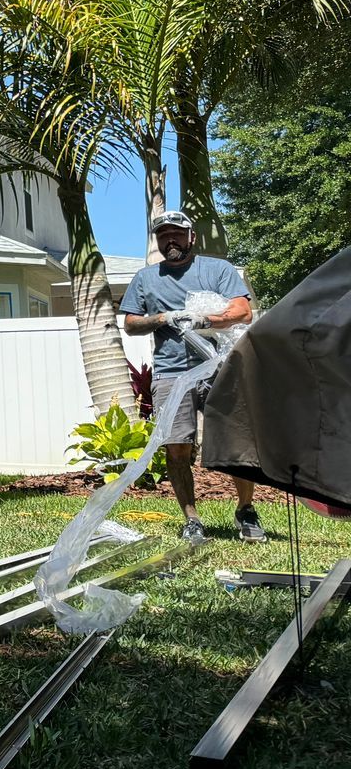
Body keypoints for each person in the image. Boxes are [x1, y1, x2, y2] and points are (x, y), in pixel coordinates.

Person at [119, 210, 257, 544]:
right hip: (170, 372)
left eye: (177, 234)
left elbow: (243, 311)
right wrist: (164, 318)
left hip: (220, 367)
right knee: (177, 447)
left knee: (237, 442)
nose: (170, 241)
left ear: (191, 236)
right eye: (163, 236)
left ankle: (246, 510)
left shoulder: (217, 270)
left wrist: (201, 320)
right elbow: (130, 324)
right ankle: (192, 519)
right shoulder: (145, 278)